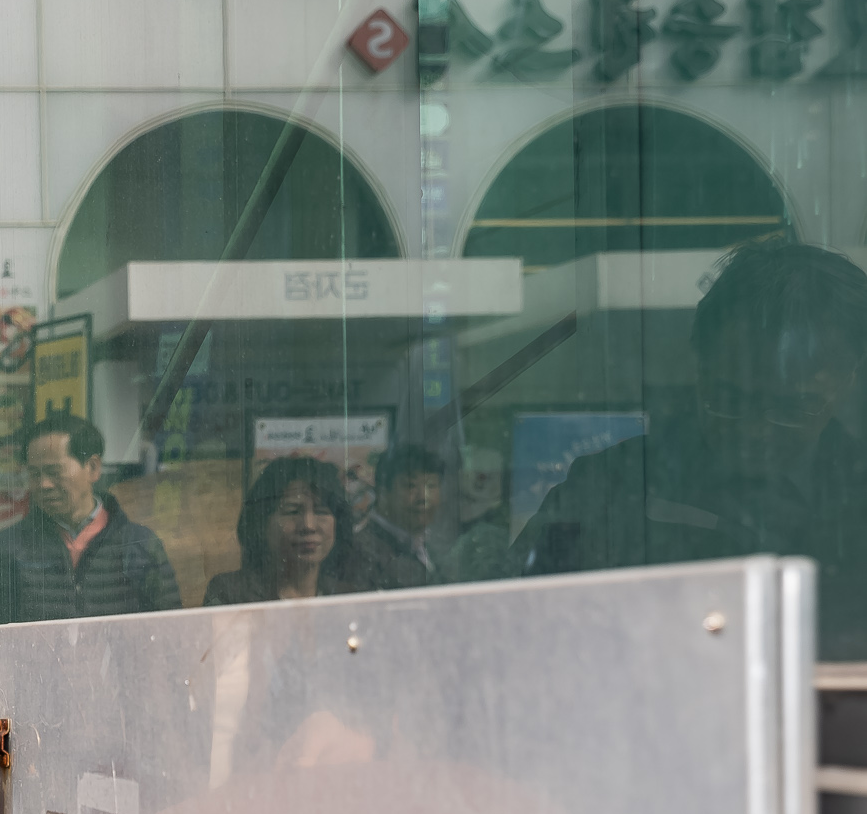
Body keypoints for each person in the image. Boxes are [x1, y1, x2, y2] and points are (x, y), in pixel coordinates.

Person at [514, 236, 867, 654]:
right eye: (729, 400)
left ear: (848, 380)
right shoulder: (611, 490)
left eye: (793, 407)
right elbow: (517, 629)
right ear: (698, 364)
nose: (756, 431)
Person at [0, 413, 179, 621]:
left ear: (93, 468)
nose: (43, 485)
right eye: (34, 474)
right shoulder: (8, 547)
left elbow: (170, 629)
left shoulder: (140, 544)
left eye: (54, 472)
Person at [204, 456, 368, 605]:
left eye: (321, 511)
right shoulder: (232, 594)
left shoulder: (348, 597)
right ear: (262, 523)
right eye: (292, 511)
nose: (308, 526)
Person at [360, 447, 444, 588]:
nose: (423, 497)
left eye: (431, 486)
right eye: (411, 486)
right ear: (382, 493)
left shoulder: (430, 543)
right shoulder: (363, 551)